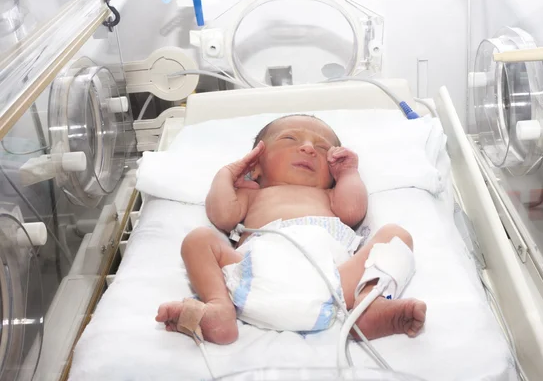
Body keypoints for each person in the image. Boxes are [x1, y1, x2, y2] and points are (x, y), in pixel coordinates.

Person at [156, 114, 426, 345]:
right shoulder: (252, 194)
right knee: (197, 240)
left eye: (322, 148)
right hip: (256, 270)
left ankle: (368, 308)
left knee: (396, 236)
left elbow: (354, 211)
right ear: (256, 165)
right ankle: (219, 307)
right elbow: (222, 215)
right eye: (290, 140)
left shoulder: (330, 196)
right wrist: (227, 173)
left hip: (333, 279)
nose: (309, 148)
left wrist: (348, 174)